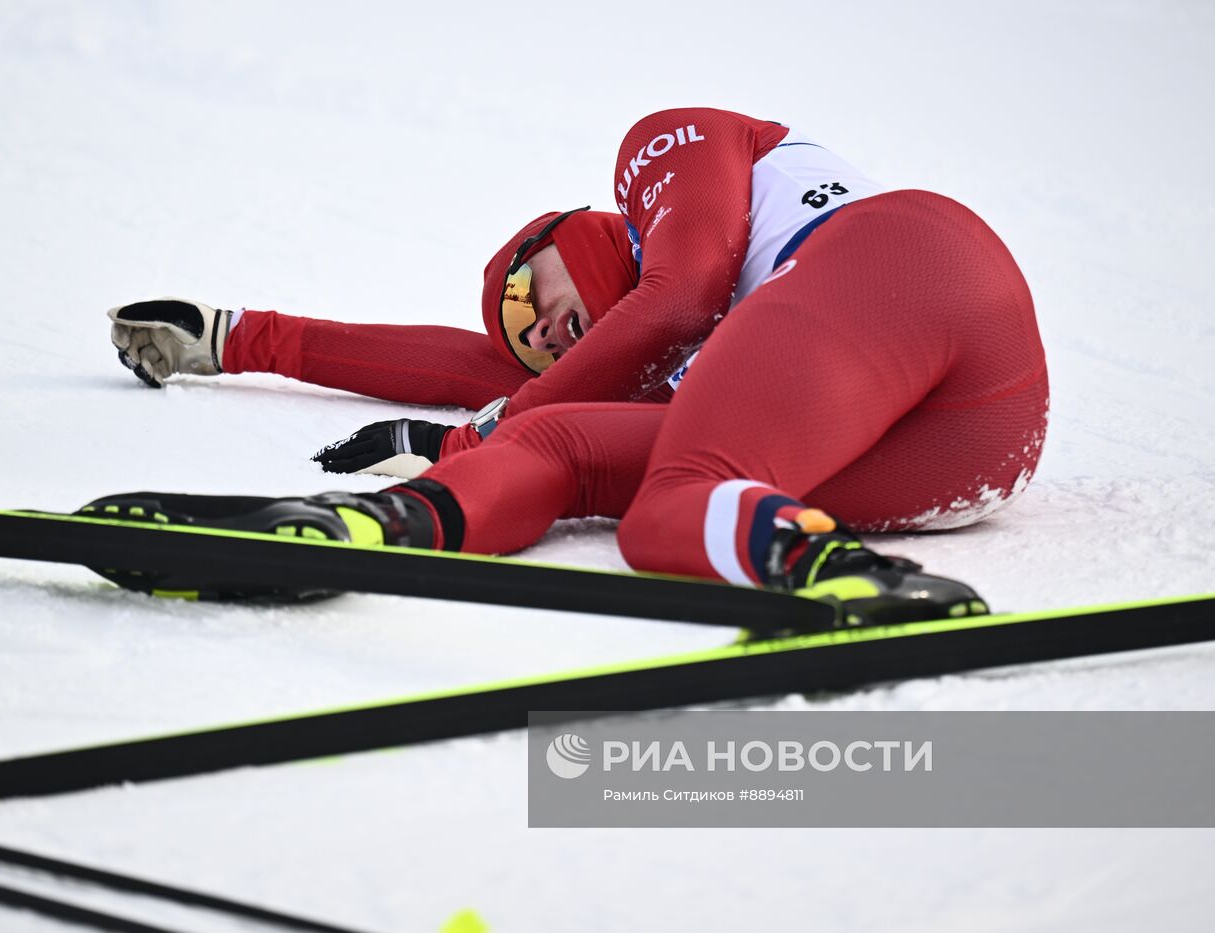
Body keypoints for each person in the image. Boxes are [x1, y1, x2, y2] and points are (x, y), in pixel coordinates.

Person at [102, 108, 1047, 625]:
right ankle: (363, 527)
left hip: (911, 267)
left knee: (671, 495)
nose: (537, 333)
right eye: (522, 339)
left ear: (565, 232)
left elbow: (674, 297)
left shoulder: (661, 154)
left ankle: (834, 571)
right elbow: (461, 368)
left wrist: (480, 425)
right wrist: (235, 337)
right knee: (561, 441)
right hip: (968, 456)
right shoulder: (692, 370)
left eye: (525, 291)